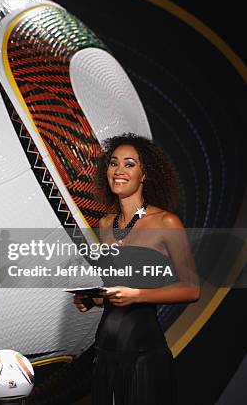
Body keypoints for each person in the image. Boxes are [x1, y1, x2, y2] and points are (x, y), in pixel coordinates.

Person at [73, 133, 200, 405]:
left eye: (129, 164)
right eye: (113, 163)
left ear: (144, 174)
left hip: (145, 356)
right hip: (104, 354)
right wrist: (91, 299)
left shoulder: (166, 222)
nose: (119, 171)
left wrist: (138, 294)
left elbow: (191, 289)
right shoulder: (105, 224)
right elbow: (113, 287)